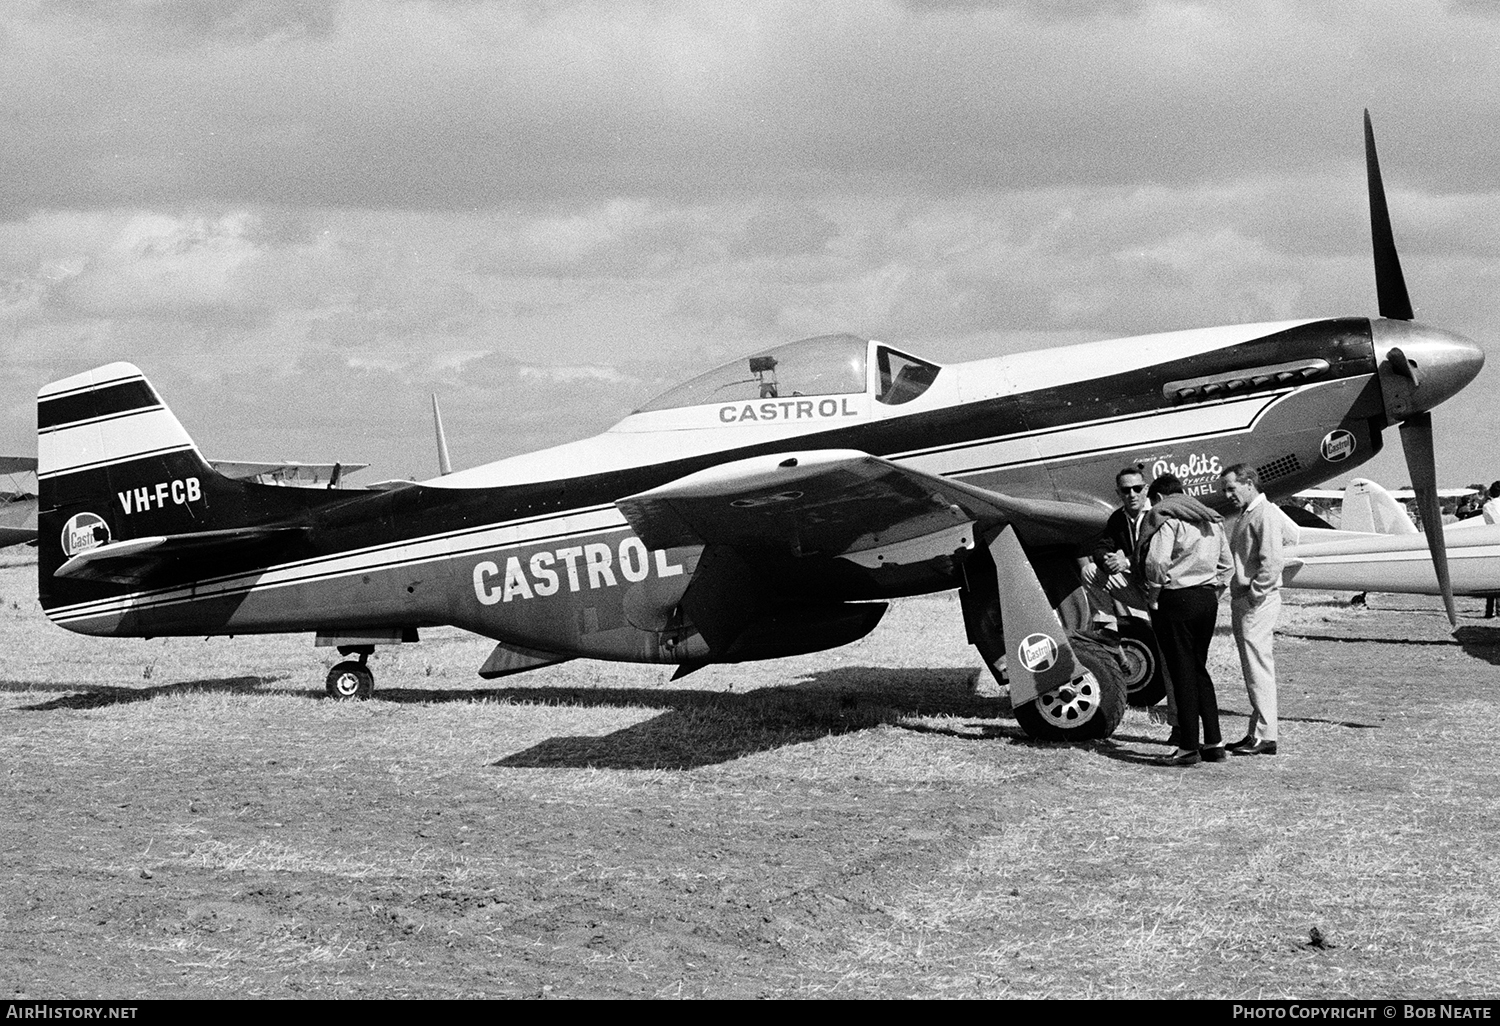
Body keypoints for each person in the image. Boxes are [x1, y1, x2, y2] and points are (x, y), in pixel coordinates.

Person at [1140, 474, 1232, 766]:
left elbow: (1156, 562)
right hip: (1206, 598)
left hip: (1176, 598)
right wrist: (1212, 592)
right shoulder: (1211, 519)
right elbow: (1227, 566)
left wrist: (1153, 594)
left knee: (1181, 672)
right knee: (1198, 669)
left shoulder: (1167, 518)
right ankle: (1214, 742)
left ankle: (1188, 746)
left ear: (1157, 499)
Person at [1221, 463, 1294, 756]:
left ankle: (1265, 735)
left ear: (1249, 483)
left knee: (1258, 668)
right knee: (1252, 669)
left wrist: (1255, 593)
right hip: (1249, 599)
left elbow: (1273, 560)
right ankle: (1256, 733)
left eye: (1231, 488)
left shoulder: (1264, 513)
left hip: (1257, 602)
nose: (1227, 495)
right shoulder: (1254, 513)